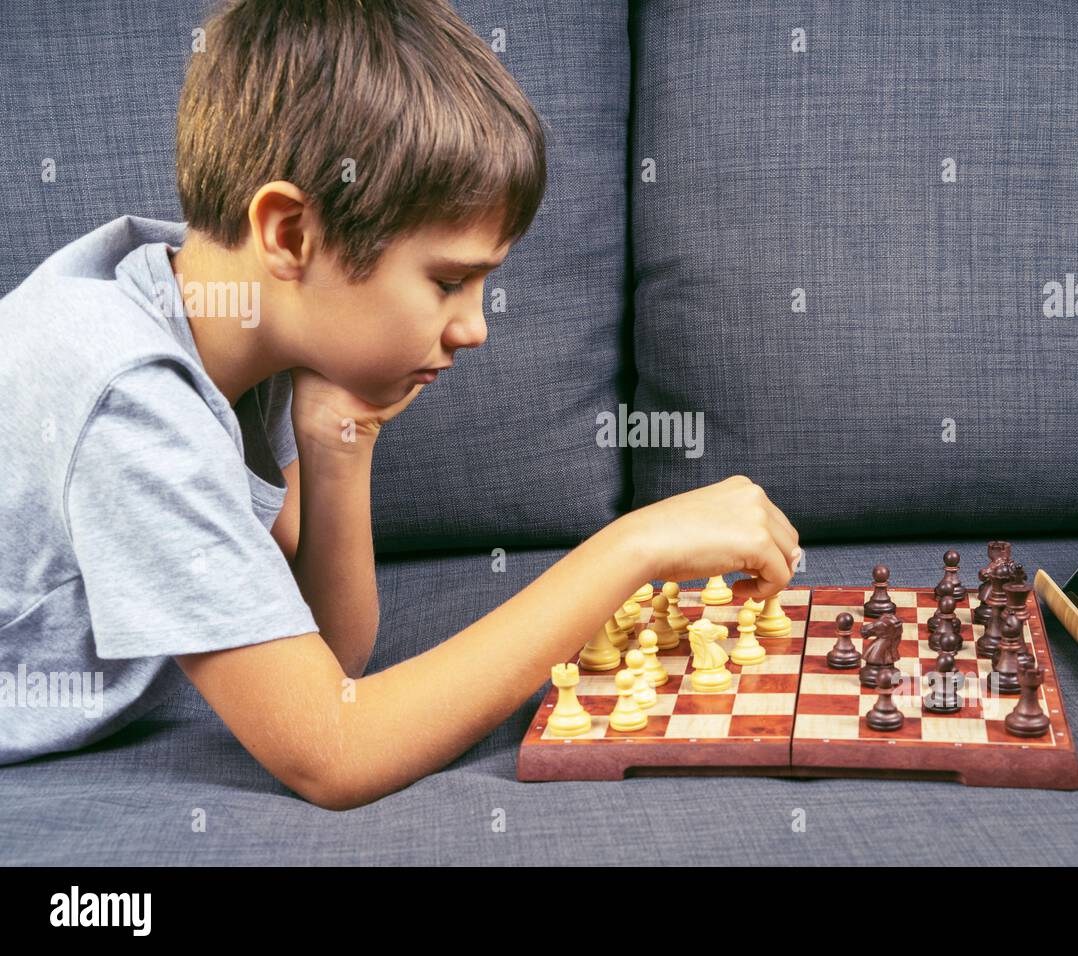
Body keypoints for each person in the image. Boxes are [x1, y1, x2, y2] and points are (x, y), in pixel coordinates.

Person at [0, 0, 799, 809]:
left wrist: (336, 442)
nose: (476, 328)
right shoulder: (129, 392)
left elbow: (331, 652)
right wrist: (634, 547)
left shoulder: (235, 309)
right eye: (448, 281)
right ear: (289, 235)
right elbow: (334, 752)